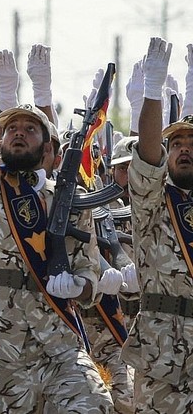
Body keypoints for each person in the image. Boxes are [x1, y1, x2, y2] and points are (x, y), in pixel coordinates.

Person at [0, 22, 112, 412]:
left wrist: (77, 285)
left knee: (94, 403)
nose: (19, 133)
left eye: (30, 129)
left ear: (47, 147)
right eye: (11, 128)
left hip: (58, 338)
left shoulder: (69, 200)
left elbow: (89, 270)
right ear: (0, 141)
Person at [121, 36, 193, 412]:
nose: (184, 149)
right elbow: (148, 156)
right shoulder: (153, 202)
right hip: (164, 354)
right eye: (176, 143)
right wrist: (152, 91)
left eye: (192, 143)